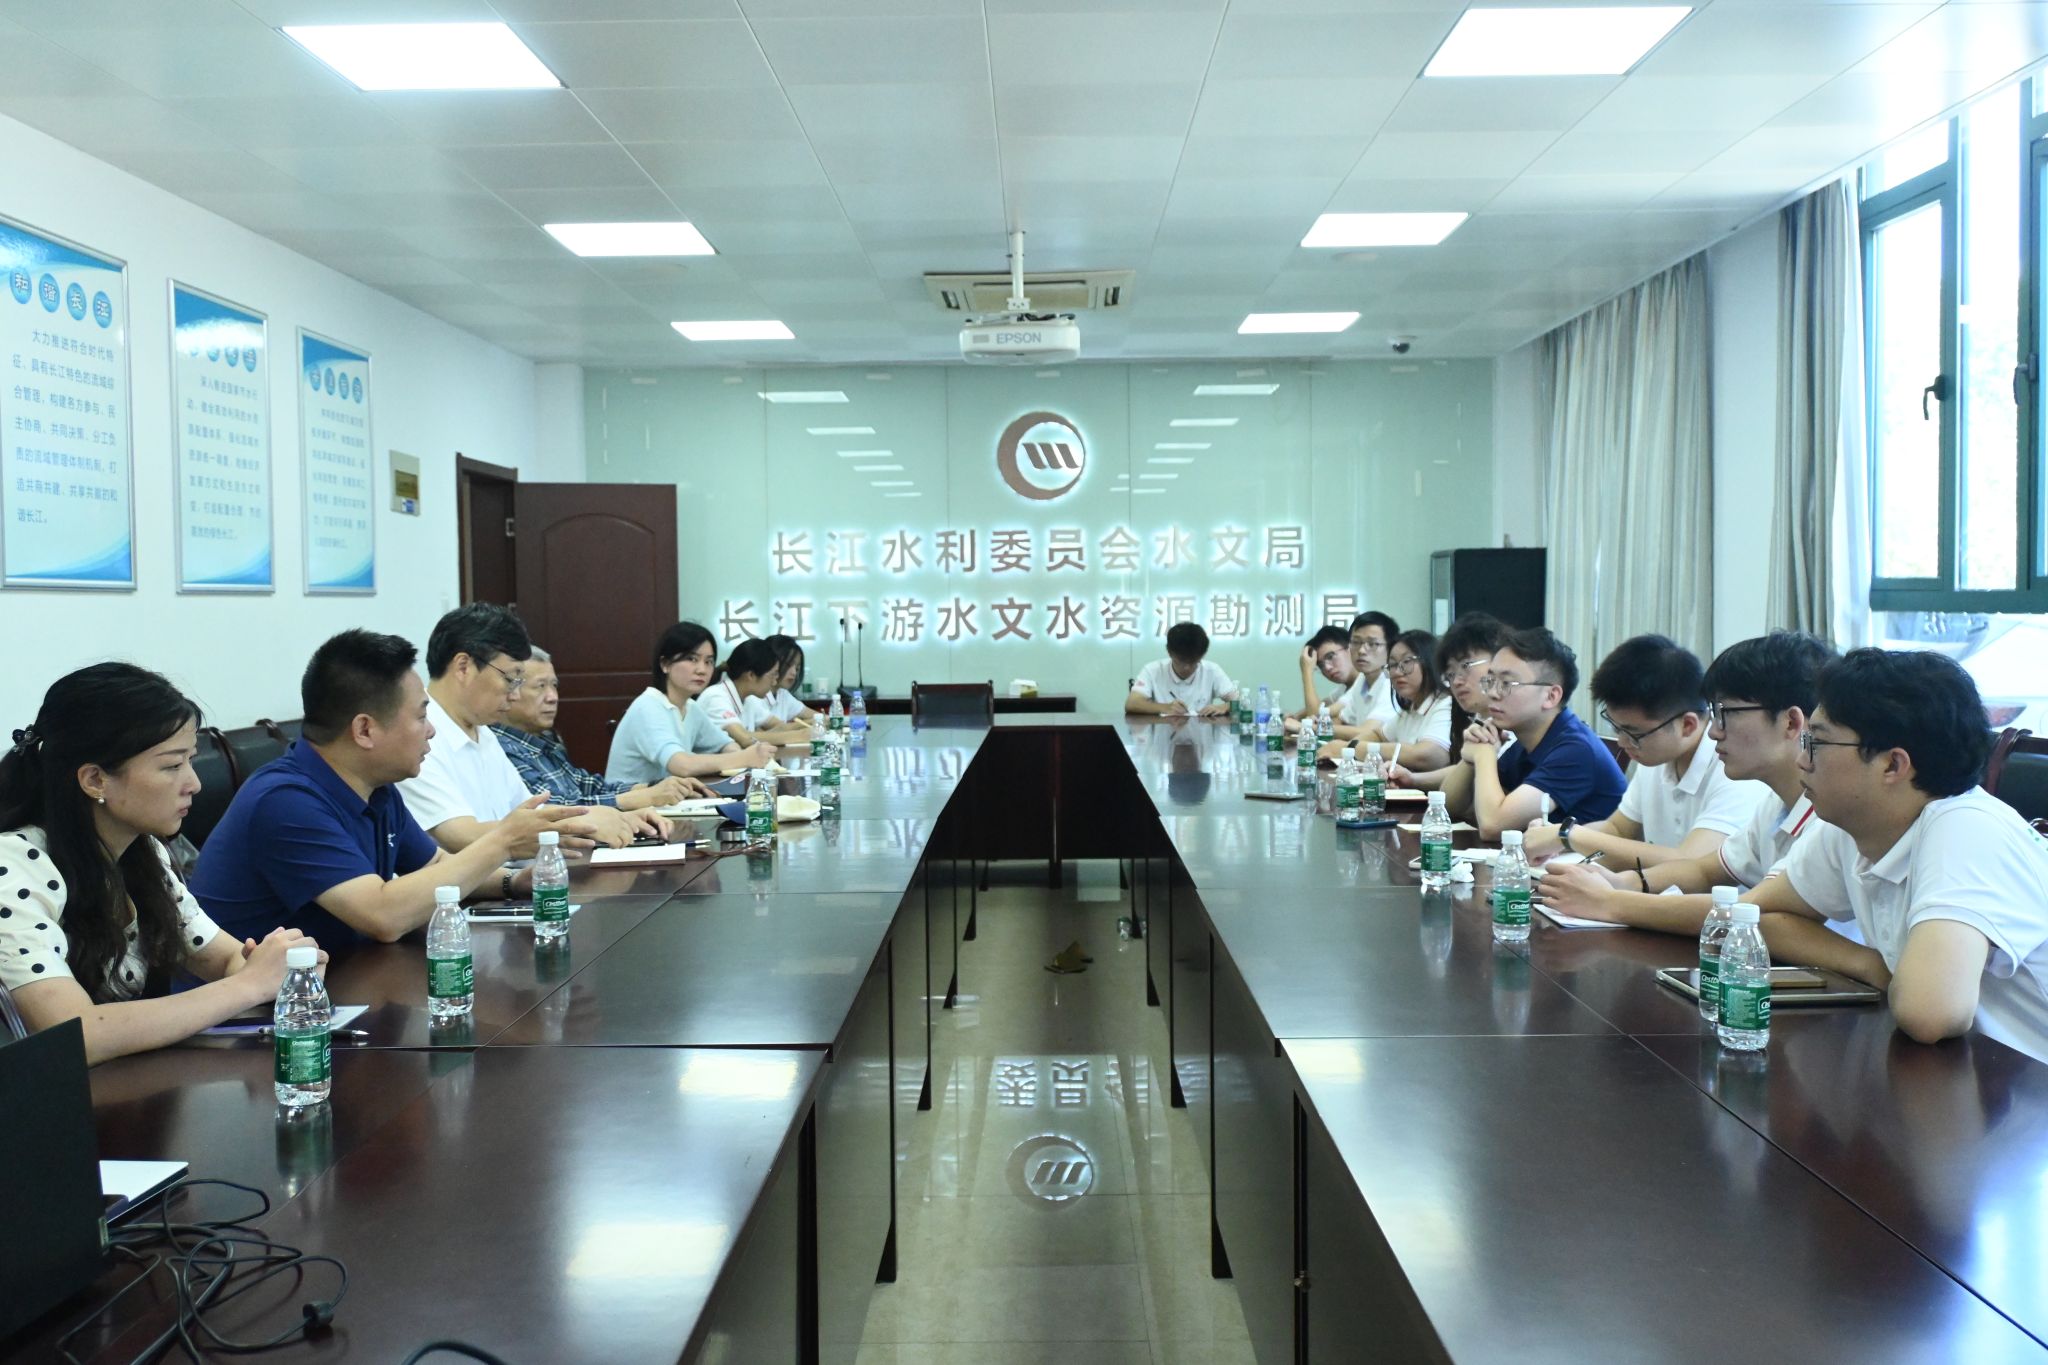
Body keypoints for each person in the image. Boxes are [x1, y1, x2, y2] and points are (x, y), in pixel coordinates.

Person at [0, 665, 321, 1065]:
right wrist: (252, 985)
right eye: (172, 766)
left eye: (191, 760)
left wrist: (283, 968)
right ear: (95, 780)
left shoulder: (142, 850)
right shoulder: (14, 867)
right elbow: (75, 1034)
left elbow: (224, 959)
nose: (194, 783)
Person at [1746, 649, 2048, 1063]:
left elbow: (1930, 1014)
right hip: (1970, 1072)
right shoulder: (1858, 822)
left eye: (1816, 742)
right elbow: (1752, 917)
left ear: (1892, 765)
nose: (1801, 759)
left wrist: (1884, 973)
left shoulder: (1967, 826)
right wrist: (1868, 964)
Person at [194, 631, 585, 947]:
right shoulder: (284, 801)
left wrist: (512, 882)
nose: (431, 730)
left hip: (344, 982)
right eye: (421, 716)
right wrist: (502, 842)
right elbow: (384, 916)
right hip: (261, 1011)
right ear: (365, 730)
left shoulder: (376, 787)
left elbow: (435, 868)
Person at [1538, 631, 1838, 934]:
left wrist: (1610, 901)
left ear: (1791, 722)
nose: (1714, 731)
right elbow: (1703, 871)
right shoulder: (1775, 805)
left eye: (1726, 714)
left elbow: (1753, 910)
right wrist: (1621, 882)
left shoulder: (1828, 817)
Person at [397, 604, 663, 852]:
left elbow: (529, 812)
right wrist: (580, 823)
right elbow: (461, 834)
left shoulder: (482, 731)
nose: (514, 695)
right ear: (464, 667)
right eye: (511, 679)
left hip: (514, 875)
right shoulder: (418, 736)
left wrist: (615, 817)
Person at [1522, 634, 1770, 869]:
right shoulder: (1656, 757)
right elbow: (1618, 830)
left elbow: (1691, 864)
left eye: (1634, 733)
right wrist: (1557, 840)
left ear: (1687, 725)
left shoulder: (1734, 767)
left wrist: (1567, 835)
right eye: (1617, 728)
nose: (1622, 742)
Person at [1420, 627, 1626, 839]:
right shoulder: (1526, 742)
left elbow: (1492, 826)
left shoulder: (1576, 750)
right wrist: (1470, 757)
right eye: (1490, 681)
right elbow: (1446, 807)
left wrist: (1484, 756)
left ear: (1551, 696)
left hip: (1592, 860)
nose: (1492, 693)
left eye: (1506, 683)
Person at [492, 646, 713, 812]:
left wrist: (657, 787)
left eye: (554, 686)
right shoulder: (501, 747)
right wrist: (644, 797)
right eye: (540, 686)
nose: (553, 697)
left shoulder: (544, 739)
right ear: (511, 690)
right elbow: (554, 809)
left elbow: (586, 785)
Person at [608, 622, 777, 783]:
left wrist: (737, 754)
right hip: (629, 800)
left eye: (708, 662)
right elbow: (682, 765)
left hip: (667, 798)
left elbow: (724, 743)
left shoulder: (690, 707)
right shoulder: (648, 707)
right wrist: (743, 758)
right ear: (665, 664)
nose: (702, 670)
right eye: (691, 659)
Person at [1393, 614, 1513, 796]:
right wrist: (1412, 779)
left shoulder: (1516, 721)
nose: (1456, 681)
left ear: (1501, 660)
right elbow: (1464, 771)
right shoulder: (1480, 718)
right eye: (1450, 673)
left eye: (1466, 665)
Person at [1318, 630, 1454, 772]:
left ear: (1430, 661)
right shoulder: (1410, 709)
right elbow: (1378, 735)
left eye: (1407, 662)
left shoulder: (1446, 703)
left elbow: (1428, 756)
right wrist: (1349, 747)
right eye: (1392, 665)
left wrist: (1351, 748)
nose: (1397, 672)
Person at [697, 637, 812, 747]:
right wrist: (801, 736)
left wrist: (814, 725)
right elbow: (745, 738)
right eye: (773, 675)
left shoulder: (749, 699)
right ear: (751, 675)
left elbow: (780, 727)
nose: (774, 681)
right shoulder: (716, 697)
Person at [1126, 622, 1238, 717]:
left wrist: (1224, 707)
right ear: (1169, 652)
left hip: (1201, 733)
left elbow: (1239, 702)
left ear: (1202, 655)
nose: (1186, 668)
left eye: (1193, 662)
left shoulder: (1212, 670)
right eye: (1181, 661)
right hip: (1164, 733)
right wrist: (1165, 708)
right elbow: (1131, 703)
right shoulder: (1152, 670)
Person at [1323, 611, 1402, 741]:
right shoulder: (1363, 678)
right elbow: (1342, 720)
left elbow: (1368, 733)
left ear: (1391, 648)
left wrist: (1309, 728)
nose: (1361, 651)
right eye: (1355, 642)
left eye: (1372, 644)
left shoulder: (1392, 682)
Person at [1289, 625, 1356, 722]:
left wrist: (1307, 671)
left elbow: (1316, 717)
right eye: (1321, 665)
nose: (1327, 668)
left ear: (1350, 648)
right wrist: (1296, 717)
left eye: (1330, 657)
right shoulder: (1345, 688)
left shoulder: (1364, 684)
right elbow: (1325, 704)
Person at [757, 635, 823, 727]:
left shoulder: (782, 694)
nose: (794, 673)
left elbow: (815, 716)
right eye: (788, 665)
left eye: (797, 668)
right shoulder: (755, 697)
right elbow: (779, 729)